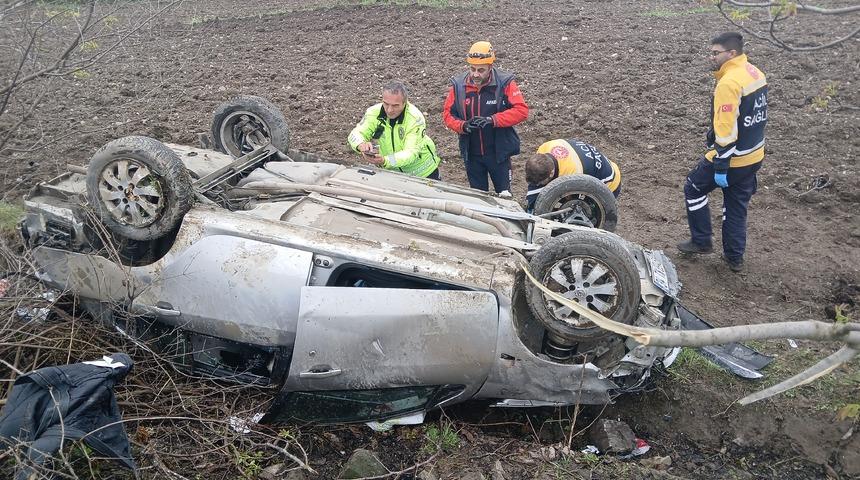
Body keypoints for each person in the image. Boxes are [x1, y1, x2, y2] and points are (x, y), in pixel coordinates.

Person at [677, 32, 768, 272]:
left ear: (731, 53)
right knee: (735, 206)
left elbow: (726, 129)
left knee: (693, 188)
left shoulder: (728, 83)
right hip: (754, 155)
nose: (712, 57)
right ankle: (734, 257)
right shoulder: (755, 73)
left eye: (716, 53)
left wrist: (721, 165)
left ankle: (701, 240)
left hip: (733, 158)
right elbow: (756, 117)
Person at [442, 41, 529, 195]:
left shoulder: (505, 83)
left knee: (504, 195)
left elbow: (521, 110)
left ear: (490, 66)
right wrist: (463, 126)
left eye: (481, 70)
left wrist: (493, 120)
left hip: (499, 154)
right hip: (472, 155)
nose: (475, 74)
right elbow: (448, 115)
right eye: (472, 69)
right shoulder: (459, 86)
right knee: (478, 196)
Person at [348, 81, 441, 179]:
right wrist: (361, 145)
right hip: (391, 173)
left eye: (395, 106)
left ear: (405, 103)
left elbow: (410, 153)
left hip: (423, 173)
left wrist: (386, 161)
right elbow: (355, 134)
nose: (389, 110)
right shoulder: (373, 112)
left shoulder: (415, 118)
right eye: (386, 104)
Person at [525, 138, 622, 211]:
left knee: (579, 208)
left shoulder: (573, 173)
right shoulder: (545, 147)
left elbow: (571, 196)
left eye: (540, 182)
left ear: (551, 173)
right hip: (593, 164)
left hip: (610, 183)